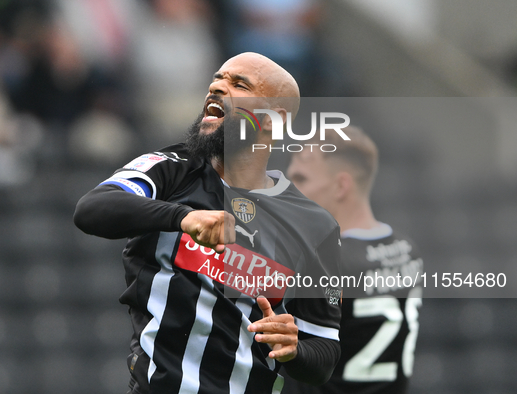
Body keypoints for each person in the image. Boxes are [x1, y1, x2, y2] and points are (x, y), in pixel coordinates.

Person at [74, 52, 342, 394]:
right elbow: (93, 208)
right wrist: (182, 217)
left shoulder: (317, 227)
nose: (217, 87)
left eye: (239, 84)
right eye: (218, 78)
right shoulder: (172, 169)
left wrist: (295, 349)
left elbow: (325, 353)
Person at [284, 126, 424, 394]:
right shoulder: (408, 250)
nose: (288, 191)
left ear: (341, 186)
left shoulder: (322, 263)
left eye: (300, 179)